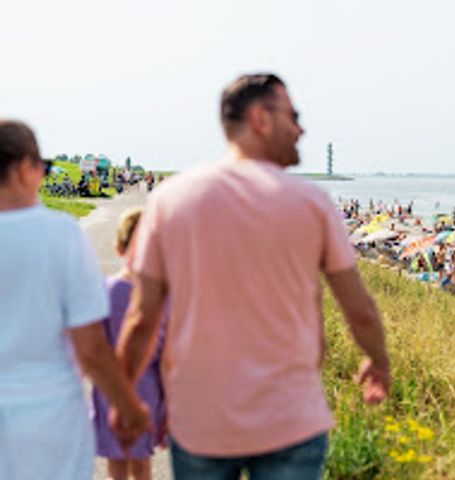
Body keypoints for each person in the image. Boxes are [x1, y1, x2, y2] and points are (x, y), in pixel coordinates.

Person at [114, 74, 391, 479]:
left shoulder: (171, 199)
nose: (301, 129)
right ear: (260, 118)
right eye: (293, 116)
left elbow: (142, 318)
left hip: (200, 419)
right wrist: (378, 361)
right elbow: (359, 308)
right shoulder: (311, 202)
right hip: (291, 420)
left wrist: (123, 397)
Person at [0, 121, 150, 480]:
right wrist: (128, 405)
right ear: (23, 168)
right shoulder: (61, 234)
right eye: (42, 166)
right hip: (51, 414)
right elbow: (91, 347)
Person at [92, 207, 167, 480]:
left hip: (109, 388)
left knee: (116, 464)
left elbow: (93, 345)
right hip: (148, 386)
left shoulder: (103, 289)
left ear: (118, 247)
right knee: (142, 462)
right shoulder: (161, 295)